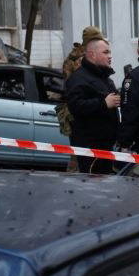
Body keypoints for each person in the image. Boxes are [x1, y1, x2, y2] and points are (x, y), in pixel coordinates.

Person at [64, 37, 120, 174]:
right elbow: (76, 106)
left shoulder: (105, 78)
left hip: (106, 146)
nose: (110, 56)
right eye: (105, 52)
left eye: (109, 52)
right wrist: (103, 103)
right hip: (90, 148)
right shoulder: (78, 78)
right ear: (92, 55)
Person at [58, 25, 105, 171]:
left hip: (80, 110)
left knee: (80, 155)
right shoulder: (82, 60)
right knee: (80, 156)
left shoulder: (74, 58)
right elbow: (81, 87)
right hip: (80, 113)